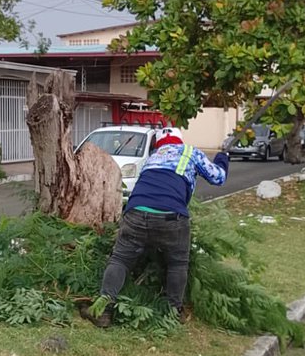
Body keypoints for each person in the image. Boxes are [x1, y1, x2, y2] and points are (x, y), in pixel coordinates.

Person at [81, 127, 229, 327]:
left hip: (135, 212)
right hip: (172, 217)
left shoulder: (152, 158)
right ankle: (173, 312)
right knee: (177, 263)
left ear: (158, 144)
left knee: (120, 259)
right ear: (179, 140)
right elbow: (218, 177)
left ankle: (103, 310)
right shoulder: (190, 152)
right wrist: (222, 158)